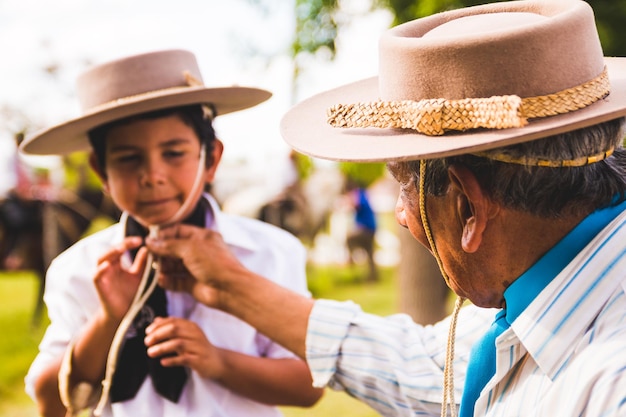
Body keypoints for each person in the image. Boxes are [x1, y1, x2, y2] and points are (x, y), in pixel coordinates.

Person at [141, 1, 626, 416]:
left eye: (402, 187)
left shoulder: (607, 384)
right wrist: (227, 284)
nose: (399, 213)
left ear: (469, 206)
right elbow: (429, 366)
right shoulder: (541, 300)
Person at [20, 49, 323, 417]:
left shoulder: (271, 252)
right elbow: (50, 402)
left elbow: (308, 387)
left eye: (174, 153)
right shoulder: (79, 269)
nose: (152, 175)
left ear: (210, 159)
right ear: (101, 171)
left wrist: (219, 362)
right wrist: (106, 320)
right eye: (129, 158)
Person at [342, 178, 378, 282]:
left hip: (366, 229)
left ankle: (351, 261)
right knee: (370, 253)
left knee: (349, 238)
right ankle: (373, 277)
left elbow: (356, 205)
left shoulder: (358, 194)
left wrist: (348, 202)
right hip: (370, 228)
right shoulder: (363, 193)